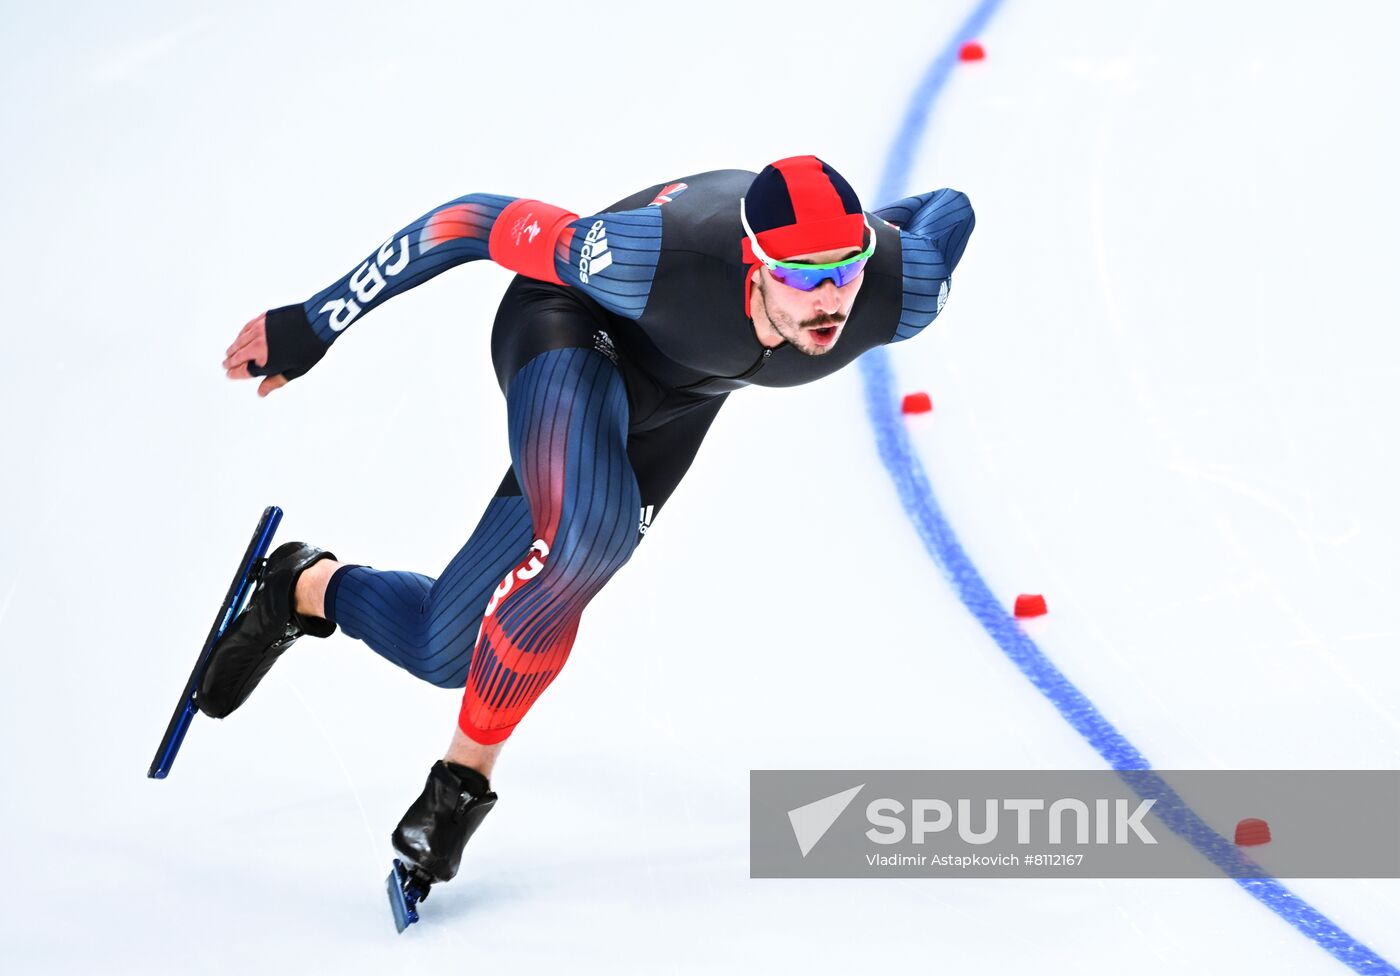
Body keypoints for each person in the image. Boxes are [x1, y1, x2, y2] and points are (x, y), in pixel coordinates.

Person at [203, 155, 974, 895]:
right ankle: (458, 788)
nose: (828, 300)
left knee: (446, 650)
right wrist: (317, 318)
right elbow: (469, 221)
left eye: (843, 268)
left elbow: (951, 209)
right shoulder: (650, 259)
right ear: (752, 261)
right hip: (569, 333)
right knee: (589, 539)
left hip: (675, 405)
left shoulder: (898, 288)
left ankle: (302, 588)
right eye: (801, 275)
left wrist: (868, 232)